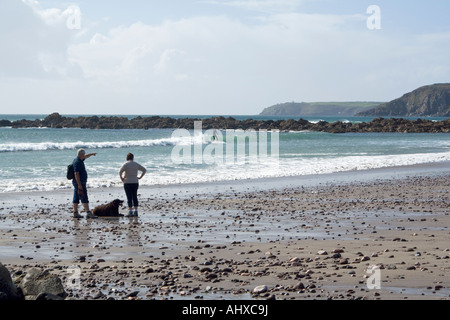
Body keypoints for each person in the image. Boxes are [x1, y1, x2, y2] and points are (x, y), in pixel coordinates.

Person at [72, 148, 97, 219]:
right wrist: (79, 184)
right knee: (84, 197)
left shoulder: (79, 159)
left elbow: (86, 156)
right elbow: (76, 173)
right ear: (81, 155)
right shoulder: (77, 162)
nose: (85, 155)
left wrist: (91, 154)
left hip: (78, 182)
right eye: (84, 154)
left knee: (76, 197)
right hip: (79, 182)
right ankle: (88, 213)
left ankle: (75, 213)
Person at [119, 153, 147, 217]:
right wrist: (140, 177)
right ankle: (136, 211)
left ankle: (130, 211)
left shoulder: (126, 164)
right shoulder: (136, 164)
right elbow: (144, 170)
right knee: (134, 196)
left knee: (129, 197)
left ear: (127, 158)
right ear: (133, 158)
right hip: (135, 182)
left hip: (127, 182)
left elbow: (120, 171)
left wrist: (122, 178)